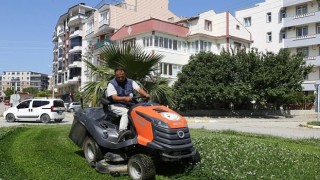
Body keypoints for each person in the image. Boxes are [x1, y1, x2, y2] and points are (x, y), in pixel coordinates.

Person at [106, 67, 150, 141]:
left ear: (125, 74)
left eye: (122, 77)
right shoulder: (111, 84)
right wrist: (124, 98)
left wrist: (145, 94)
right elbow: (114, 98)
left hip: (128, 105)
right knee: (126, 112)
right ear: (115, 75)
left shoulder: (131, 82)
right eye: (118, 77)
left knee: (141, 111)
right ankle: (122, 132)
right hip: (114, 105)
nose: (120, 78)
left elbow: (139, 89)